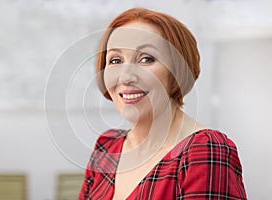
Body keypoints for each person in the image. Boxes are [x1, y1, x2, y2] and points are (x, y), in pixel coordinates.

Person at [79, 7, 247, 200]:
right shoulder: (106, 147)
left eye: (146, 59)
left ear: (177, 71)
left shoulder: (205, 150)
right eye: (115, 60)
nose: (125, 76)